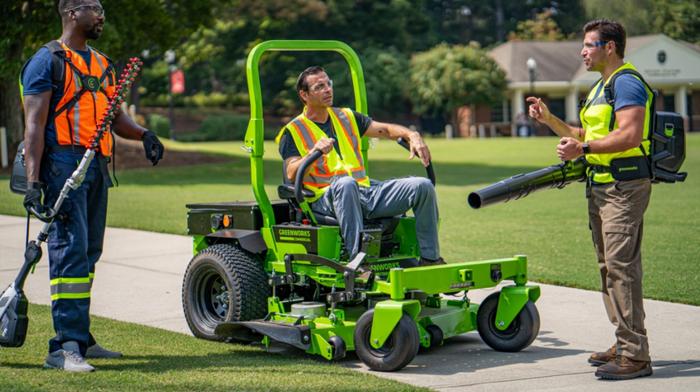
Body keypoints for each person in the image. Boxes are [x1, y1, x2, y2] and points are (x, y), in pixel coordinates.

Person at [21, 0, 164, 372]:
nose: (101, 14)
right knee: (69, 251)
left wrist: (143, 134)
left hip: (97, 165)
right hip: (62, 166)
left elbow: (113, 116)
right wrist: (34, 182)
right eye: (93, 7)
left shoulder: (102, 63)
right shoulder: (46, 61)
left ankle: (80, 337)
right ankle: (63, 347)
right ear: (71, 13)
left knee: (87, 254)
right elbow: (33, 127)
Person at [527, 19, 653, 380]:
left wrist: (583, 147)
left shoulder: (627, 82)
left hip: (624, 186)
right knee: (608, 269)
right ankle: (625, 341)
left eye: (589, 45)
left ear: (609, 46)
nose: (582, 51)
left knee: (621, 268)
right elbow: (584, 134)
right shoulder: (602, 87)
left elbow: (628, 135)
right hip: (600, 186)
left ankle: (635, 356)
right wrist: (550, 120)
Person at [277, 66, 443, 266]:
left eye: (328, 84)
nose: (328, 89)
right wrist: (313, 153)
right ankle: (358, 262)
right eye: (319, 86)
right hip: (325, 200)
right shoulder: (293, 131)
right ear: (304, 95)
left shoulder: (347, 117)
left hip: (366, 191)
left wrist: (412, 135)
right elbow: (291, 172)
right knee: (346, 184)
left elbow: (385, 130)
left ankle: (430, 259)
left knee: (422, 186)